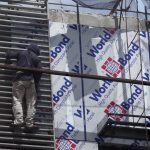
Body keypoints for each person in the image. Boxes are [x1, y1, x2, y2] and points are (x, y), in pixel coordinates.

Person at [5, 43, 42, 131]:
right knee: (31, 102)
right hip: (30, 81)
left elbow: (9, 55)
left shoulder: (21, 52)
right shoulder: (36, 58)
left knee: (17, 100)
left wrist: (7, 54)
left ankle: (18, 121)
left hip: (18, 79)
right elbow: (40, 71)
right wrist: (36, 82)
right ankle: (29, 124)